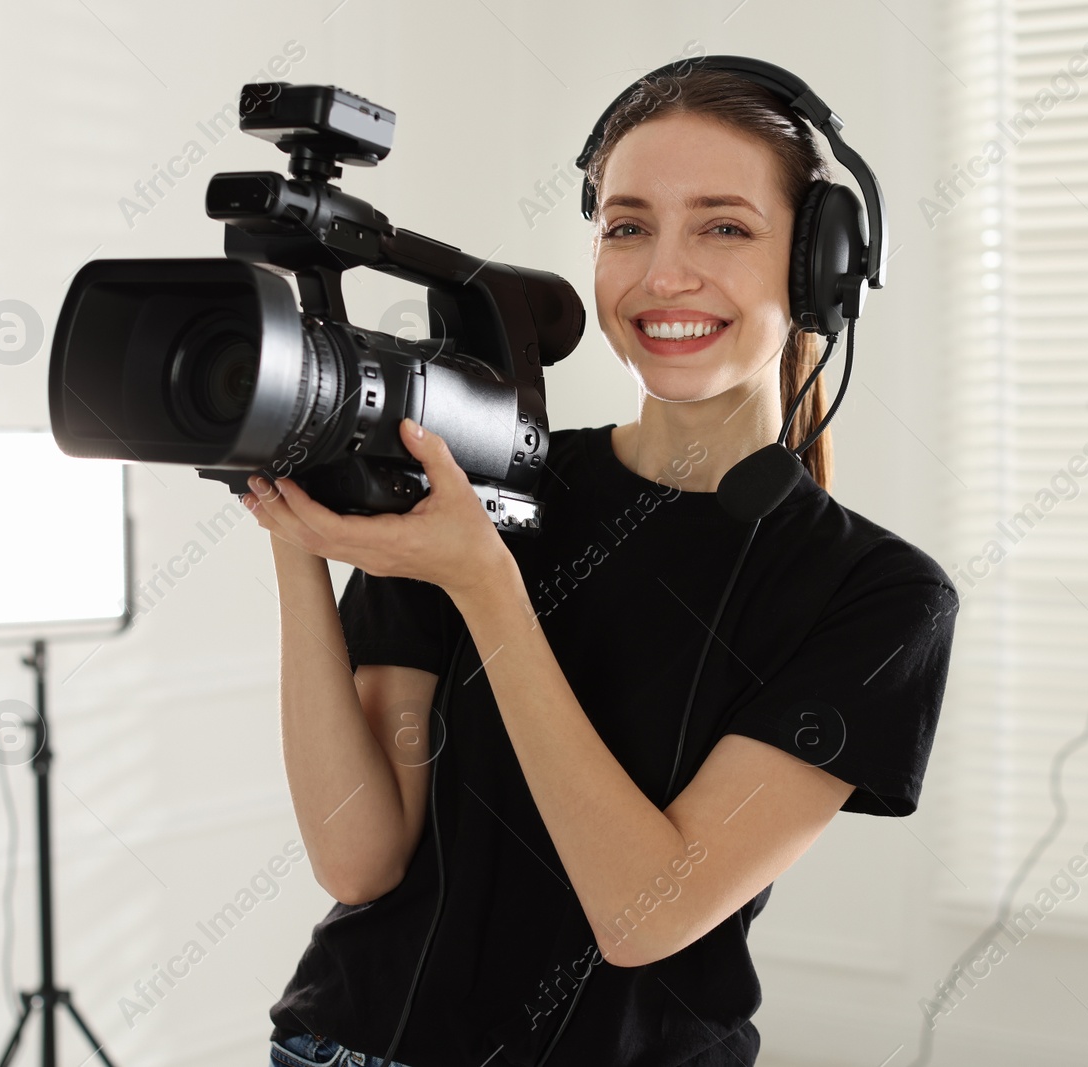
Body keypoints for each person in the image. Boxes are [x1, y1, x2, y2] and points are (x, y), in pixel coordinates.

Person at [248, 65, 958, 1067]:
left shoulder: (875, 596)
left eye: (722, 227)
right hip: (348, 1045)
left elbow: (640, 914)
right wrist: (293, 527)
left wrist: (485, 586)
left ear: (818, 270)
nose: (663, 275)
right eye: (627, 227)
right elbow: (359, 856)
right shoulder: (478, 476)